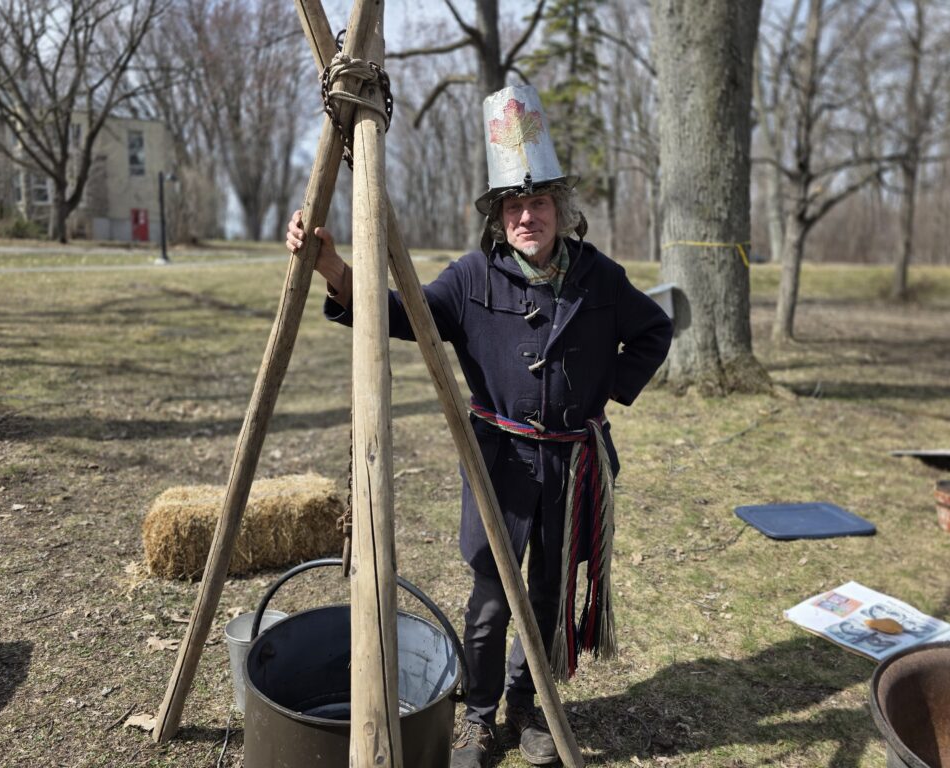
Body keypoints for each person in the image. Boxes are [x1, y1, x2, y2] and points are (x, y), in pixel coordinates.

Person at [287, 85, 672, 768]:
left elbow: (655, 330)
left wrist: (606, 391)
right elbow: (403, 314)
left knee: (550, 594)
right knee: (492, 598)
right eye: (515, 206)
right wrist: (335, 271)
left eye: (541, 203)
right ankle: (478, 715)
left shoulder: (598, 277)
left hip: (571, 467)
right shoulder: (471, 279)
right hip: (497, 463)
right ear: (498, 216)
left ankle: (530, 709)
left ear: (560, 209)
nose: (529, 216)